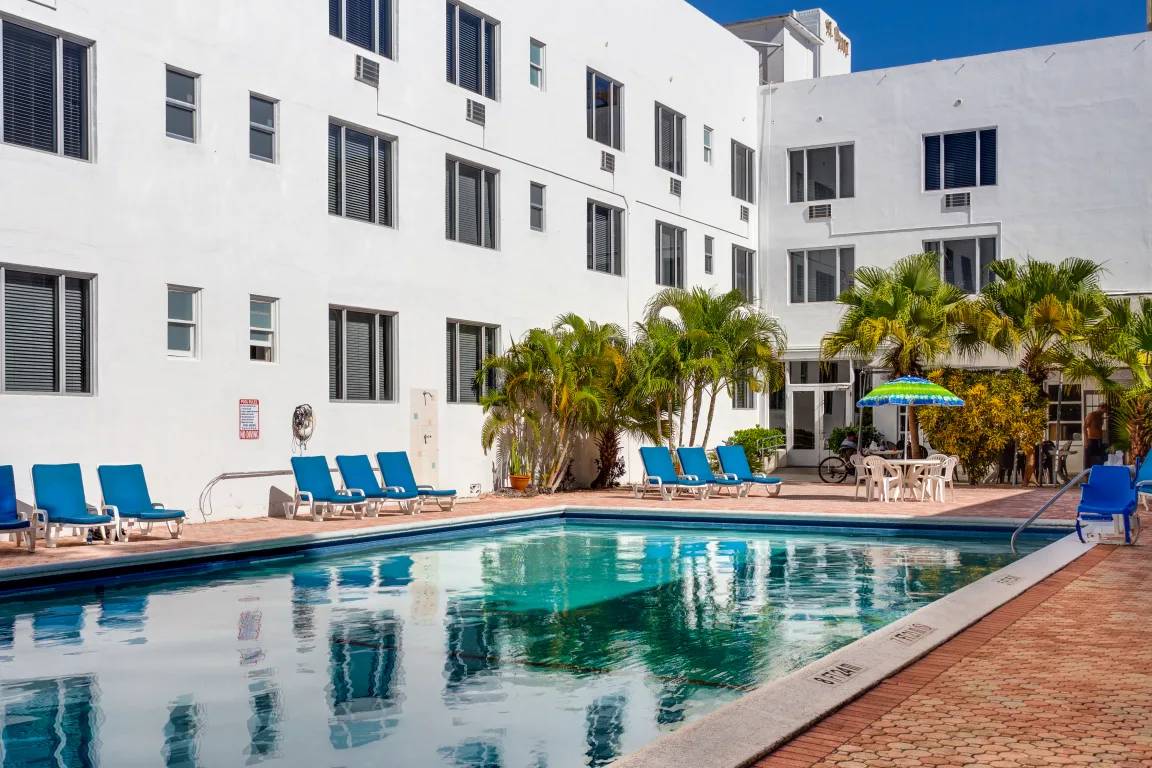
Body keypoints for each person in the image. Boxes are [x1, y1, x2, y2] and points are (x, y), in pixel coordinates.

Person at [1084, 403, 1110, 468]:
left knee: (1100, 456)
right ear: (1101, 408)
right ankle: (1087, 472)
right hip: (1091, 439)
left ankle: (1098, 470)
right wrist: (1086, 440)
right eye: (1105, 409)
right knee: (1090, 457)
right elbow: (1085, 427)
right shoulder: (1091, 415)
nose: (1105, 411)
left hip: (1099, 439)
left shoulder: (1100, 417)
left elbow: (1099, 428)